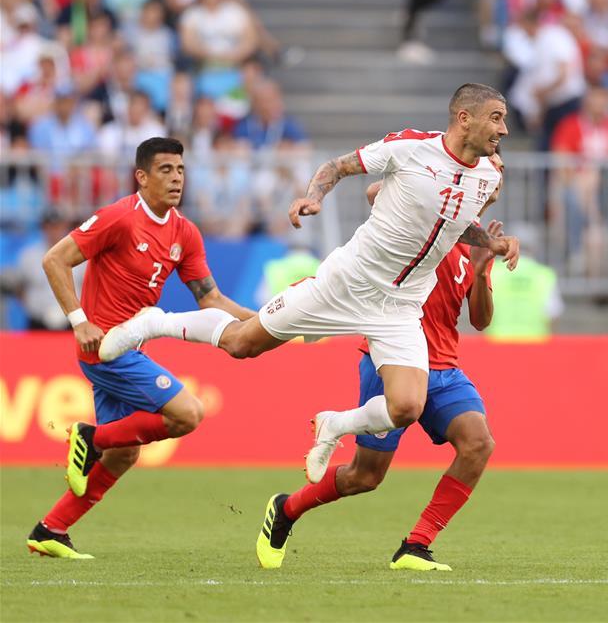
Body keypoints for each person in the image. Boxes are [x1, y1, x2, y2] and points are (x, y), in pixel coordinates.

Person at [96, 82, 519, 554]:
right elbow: (338, 168)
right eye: (496, 118)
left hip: (399, 307)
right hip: (345, 283)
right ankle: (155, 322)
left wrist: (492, 244)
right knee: (242, 343)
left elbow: (459, 223)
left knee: (407, 407)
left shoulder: (489, 175)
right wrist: (313, 197)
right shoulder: (411, 148)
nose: (503, 129)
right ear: (464, 118)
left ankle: (335, 425)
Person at [256, 153, 504, 571]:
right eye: (488, 160)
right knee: (365, 476)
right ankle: (286, 509)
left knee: (479, 444)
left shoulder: (475, 244)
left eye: (499, 167)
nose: (494, 168)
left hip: (442, 366)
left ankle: (417, 545)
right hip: (391, 361)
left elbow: (479, 320)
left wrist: (481, 274)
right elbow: (376, 191)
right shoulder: (433, 208)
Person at [25, 137, 254, 559]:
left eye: (181, 170)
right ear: (142, 177)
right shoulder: (119, 218)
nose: (176, 178)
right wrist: (79, 322)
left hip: (132, 349)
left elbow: (211, 300)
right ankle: (90, 438)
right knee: (188, 413)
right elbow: (54, 259)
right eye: (165, 170)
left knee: (125, 452)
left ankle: (50, 529)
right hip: (104, 348)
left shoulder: (184, 231)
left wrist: (263, 322)